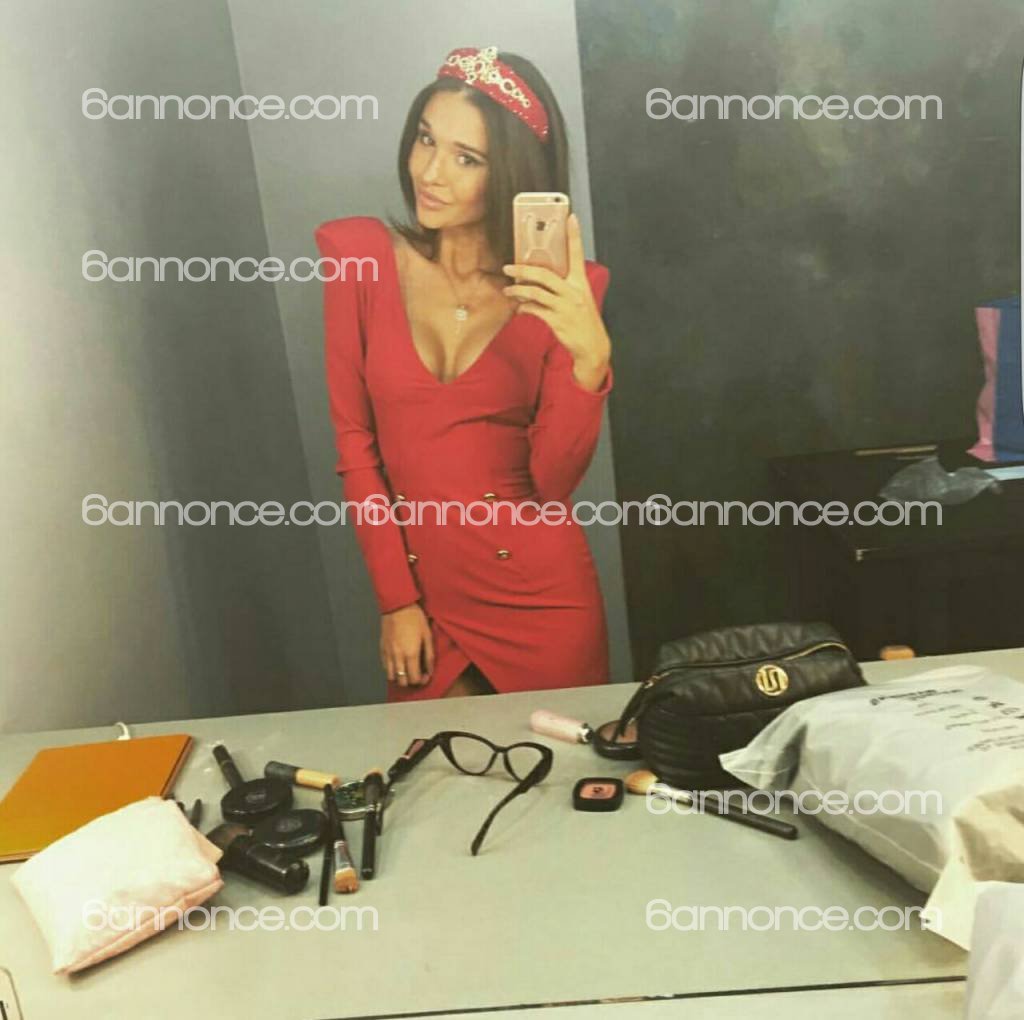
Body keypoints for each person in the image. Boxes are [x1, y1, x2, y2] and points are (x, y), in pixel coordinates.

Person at [315, 45, 615, 700]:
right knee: (431, 766)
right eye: (426, 139)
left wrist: (589, 363)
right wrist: (397, 602)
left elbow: (553, 482)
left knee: (562, 765)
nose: (431, 172)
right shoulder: (360, 257)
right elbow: (356, 449)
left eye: (466, 158)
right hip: (425, 601)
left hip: (543, 601)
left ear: (511, 173)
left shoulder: (568, 291)